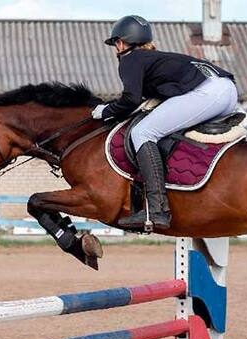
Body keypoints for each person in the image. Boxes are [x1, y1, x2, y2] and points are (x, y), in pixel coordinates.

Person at [92, 15, 238, 231]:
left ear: (121, 42)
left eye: (115, 44)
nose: (116, 48)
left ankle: (157, 209)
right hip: (227, 90)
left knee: (142, 132)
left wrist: (105, 111)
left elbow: (131, 99)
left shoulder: (131, 59)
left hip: (207, 93)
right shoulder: (155, 58)